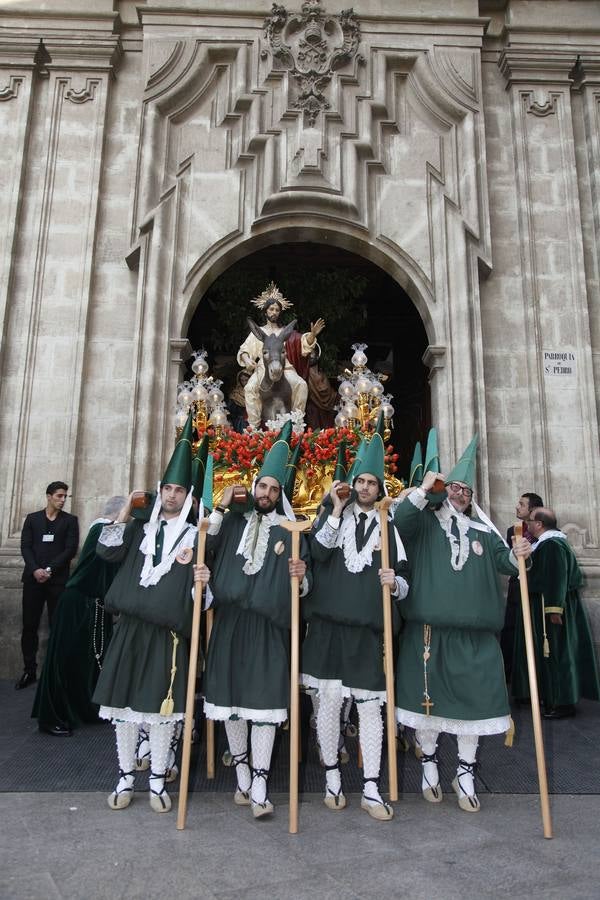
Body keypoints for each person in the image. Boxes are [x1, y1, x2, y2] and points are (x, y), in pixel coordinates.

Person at [393, 436, 532, 812]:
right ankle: (429, 765)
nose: (459, 494)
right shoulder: (423, 524)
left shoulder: (485, 533)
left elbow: (508, 562)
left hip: (477, 640)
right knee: (429, 708)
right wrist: (424, 491)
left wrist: (522, 553)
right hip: (429, 634)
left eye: (465, 490)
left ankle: (465, 772)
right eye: (453, 487)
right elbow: (398, 523)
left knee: (475, 709)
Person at [92, 415, 210, 814]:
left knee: (163, 712)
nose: (172, 495)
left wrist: (202, 580)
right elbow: (105, 551)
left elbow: (205, 599)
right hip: (130, 632)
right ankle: (126, 777)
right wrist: (127, 506)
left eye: (179, 490)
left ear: (189, 496)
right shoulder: (138, 530)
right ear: (159, 490)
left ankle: (158, 780)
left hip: (168, 638)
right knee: (124, 710)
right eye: (167, 488)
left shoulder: (198, 538)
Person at [203, 423, 310, 818]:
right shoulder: (231, 521)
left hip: (268, 629)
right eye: (261, 487)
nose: (265, 494)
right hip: (229, 624)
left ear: (280, 495)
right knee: (231, 703)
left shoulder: (292, 531)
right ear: (253, 486)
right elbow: (205, 544)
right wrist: (219, 504)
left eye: (273, 489)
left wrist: (300, 574)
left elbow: (305, 586)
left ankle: (262, 783)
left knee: (263, 705)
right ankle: (243, 775)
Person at [301, 434, 409, 820]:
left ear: (379, 488)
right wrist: (334, 507)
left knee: (370, 709)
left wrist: (394, 583)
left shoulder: (388, 525)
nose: (364, 488)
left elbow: (406, 580)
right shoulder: (331, 518)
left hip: (367, 632)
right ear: (350, 484)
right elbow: (317, 551)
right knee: (327, 705)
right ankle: (332, 778)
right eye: (360, 481)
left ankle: (371, 787)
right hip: (328, 628)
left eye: (371, 483)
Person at [31, 496, 125, 736]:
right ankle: (50, 716)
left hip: (94, 605)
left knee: (88, 662)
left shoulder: (105, 529)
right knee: (63, 660)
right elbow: (109, 546)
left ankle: (86, 709)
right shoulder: (102, 529)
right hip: (77, 604)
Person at [511, 507, 600, 718]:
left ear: (539, 524)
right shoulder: (548, 543)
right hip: (548, 605)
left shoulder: (552, 545)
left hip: (551, 608)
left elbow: (556, 577)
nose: (528, 524)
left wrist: (553, 609)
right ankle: (548, 696)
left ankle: (561, 702)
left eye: (531, 521)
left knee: (556, 655)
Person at [16, 482, 79, 690]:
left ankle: (54, 672)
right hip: (33, 580)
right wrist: (35, 569)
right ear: (49, 496)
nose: (62, 500)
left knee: (57, 626)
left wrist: (49, 569)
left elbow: (70, 549)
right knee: (29, 626)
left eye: (65, 496)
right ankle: (29, 670)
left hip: (57, 582)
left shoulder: (70, 521)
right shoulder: (33, 519)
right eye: (59, 496)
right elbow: (25, 546)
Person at [237, 281, 324, 429]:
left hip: (286, 368)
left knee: (301, 385)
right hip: (263, 369)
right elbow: (245, 350)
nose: (274, 312)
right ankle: (253, 426)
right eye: (271, 309)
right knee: (250, 388)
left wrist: (312, 335)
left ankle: (297, 423)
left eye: (277, 310)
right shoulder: (259, 333)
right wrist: (247, 360)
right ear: (265, 311)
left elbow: (302, 344)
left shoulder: (286, 333)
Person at [501, 491, 543, 680]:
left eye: (522, 504)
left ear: (533, 510)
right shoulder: (513, 530)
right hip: (516, 586)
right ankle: (508, 671)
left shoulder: (544, 532)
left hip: (535, 587)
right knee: (510, 627)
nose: (517, 507)